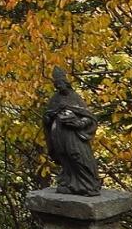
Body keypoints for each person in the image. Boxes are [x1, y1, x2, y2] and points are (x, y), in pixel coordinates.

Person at [43, 68, 101, 196]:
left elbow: (88, 116)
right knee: (64, 157)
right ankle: (70, 183)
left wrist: (79, 123)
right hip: (58, 133)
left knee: (77, 155)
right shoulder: (54, 98)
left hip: (73, 134)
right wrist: (49, 117)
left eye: (60, 84)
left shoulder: (75, 97)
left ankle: (88, 185)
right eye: (56, 85)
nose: (58, 87)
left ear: (66, 83)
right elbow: (47, 117)